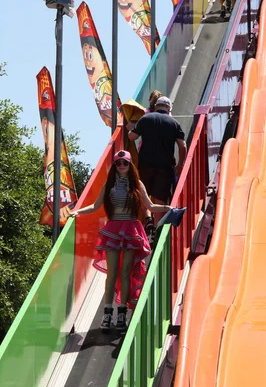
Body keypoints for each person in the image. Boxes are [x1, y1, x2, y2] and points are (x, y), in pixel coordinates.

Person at [69, 150, 173, 331]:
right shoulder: (109, 184)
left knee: (126, 272)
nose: (122, 166)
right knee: (112, 274)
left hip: (131, 229)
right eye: (118, 163)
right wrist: (78, 212)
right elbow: (95, 206)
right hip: (114, 229)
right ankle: (108, 313)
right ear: (115, 166)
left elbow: (149, 205)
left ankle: (122, 312)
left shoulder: (137, 184)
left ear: (130, 164)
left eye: (125, 163)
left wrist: (168, 207)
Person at [128, 96, 187, 228]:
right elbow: (182, 145)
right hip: (164, 167)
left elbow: (132, 137)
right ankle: (156, 230)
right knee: (159, 199)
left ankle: (147, 217)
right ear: (169, 108)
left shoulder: (145, 119)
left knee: (142, 194)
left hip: (145, 165)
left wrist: (131, 128)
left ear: (155, 106)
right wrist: (180, 164)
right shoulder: (174, 123)